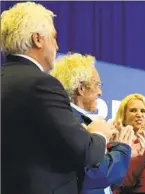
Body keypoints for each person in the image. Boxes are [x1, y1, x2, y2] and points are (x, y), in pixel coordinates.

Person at [1, 2, 113, 194]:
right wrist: (99, 133)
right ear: (38, 39)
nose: (57, 45)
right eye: (53, 37)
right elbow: (85, 152)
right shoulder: (42, 84)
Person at [51, 53, 137, 194]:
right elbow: (93, 176)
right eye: (97, 85)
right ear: (81, 88)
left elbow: (110, 183)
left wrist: (113, 149)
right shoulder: (71, 123)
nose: (100, 92)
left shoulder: (75, 121)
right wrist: (121, 150)